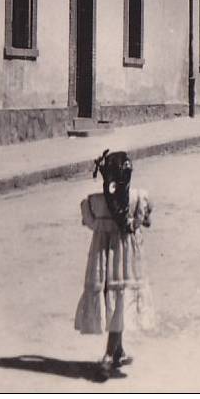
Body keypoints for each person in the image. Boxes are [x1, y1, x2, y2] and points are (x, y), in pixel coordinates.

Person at [74, 150, 155, 379]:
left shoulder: (93, 202)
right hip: (126, 259)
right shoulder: (137, 197)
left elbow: (89, 222)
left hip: (102, 258)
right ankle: (109, 354)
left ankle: (117, 350)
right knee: (121, 300)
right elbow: (145, 221)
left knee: (113, 298)